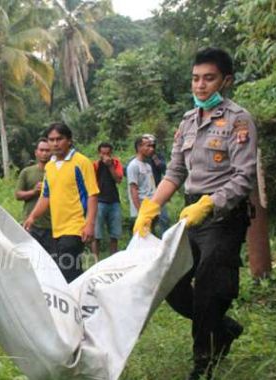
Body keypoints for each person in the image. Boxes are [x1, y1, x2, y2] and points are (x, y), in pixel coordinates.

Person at [133, 48, 257, 380]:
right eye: (195, 78)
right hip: (190, 215)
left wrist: (210, 203)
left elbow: (244, 177)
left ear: (226, 81)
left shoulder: (238, 120)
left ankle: (202, 364)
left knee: (207, 290)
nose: (200, 85)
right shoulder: (188, 121)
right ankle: (224, 327)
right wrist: (151, 207)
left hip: (222, 216)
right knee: (170, 282)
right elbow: (174, 172)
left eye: (209, 78)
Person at [23, 122, 99, 283]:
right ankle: (87, 296)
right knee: (67, 269)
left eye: (59, 139)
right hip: (56, 229)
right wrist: (32, 217)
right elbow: (46, 196)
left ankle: (80, 302)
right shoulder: (50, 166)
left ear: (69, 140)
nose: (55, 143)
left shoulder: (81, 162)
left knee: (66, 270)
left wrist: (90, 224)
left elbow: (92, 194)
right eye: (51, 140)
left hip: (76, 226)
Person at [15, 138, 53, 253]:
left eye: (47, 150)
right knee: (31, 257)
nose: (44, 153)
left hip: (52, 225)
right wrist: (34, 192)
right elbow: (18, 194)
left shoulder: (57, 171)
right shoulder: (27, 172)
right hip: (31, 224)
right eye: (41, 150)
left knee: (53, 260)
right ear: (36, 152)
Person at [91, 142, 123, 259]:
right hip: (99, 201)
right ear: (99, 153)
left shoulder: (116, 163)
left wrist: (110, 166)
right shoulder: (95, 165)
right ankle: (95, 260)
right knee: (96, 234)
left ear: (111, 153)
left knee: (115, 234)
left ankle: (113, 259)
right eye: (103, 153)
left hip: (114, 201)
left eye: (108, 153)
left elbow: (118, 179)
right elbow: (91, 182)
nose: (105, 156)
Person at [126, 135, 156, 233]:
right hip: (142, 209)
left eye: (152, 146)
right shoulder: (133, 166)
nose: (151, 149)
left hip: (151, 207)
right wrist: (140, 212)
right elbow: (133, 189)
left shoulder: (148, 166)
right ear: (139, 147)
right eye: (147, 146)